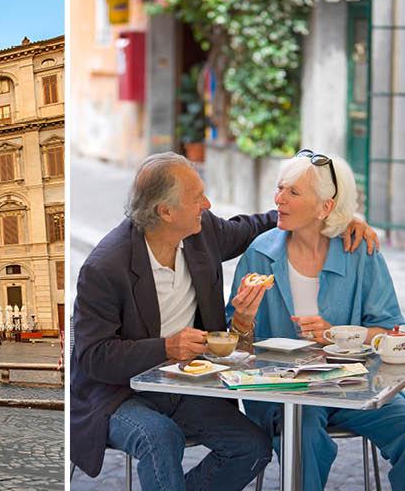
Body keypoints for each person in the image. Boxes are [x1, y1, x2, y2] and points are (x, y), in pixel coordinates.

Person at [71, 152, 376, 490]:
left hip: (183, 385)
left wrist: (335, 217)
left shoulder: (203, 232)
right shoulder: (104, 267)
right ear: (166, 211)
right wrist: (166, 348)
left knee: (251, 447)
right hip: (118, 394)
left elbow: (258, 224)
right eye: (196, 196)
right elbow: (92, 357)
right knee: (161, 438)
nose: (208, 202)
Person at [227, 151, 405, 491]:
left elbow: (389, 331)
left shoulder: (360, 251)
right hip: (283, 392)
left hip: (354, 386)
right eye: (280, 189)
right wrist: (243, 321)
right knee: (302, 430)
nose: (278, 199)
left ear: (326, 206)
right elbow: (234, 351)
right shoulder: (260, 254)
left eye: (293, 192)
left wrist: (339, 336)